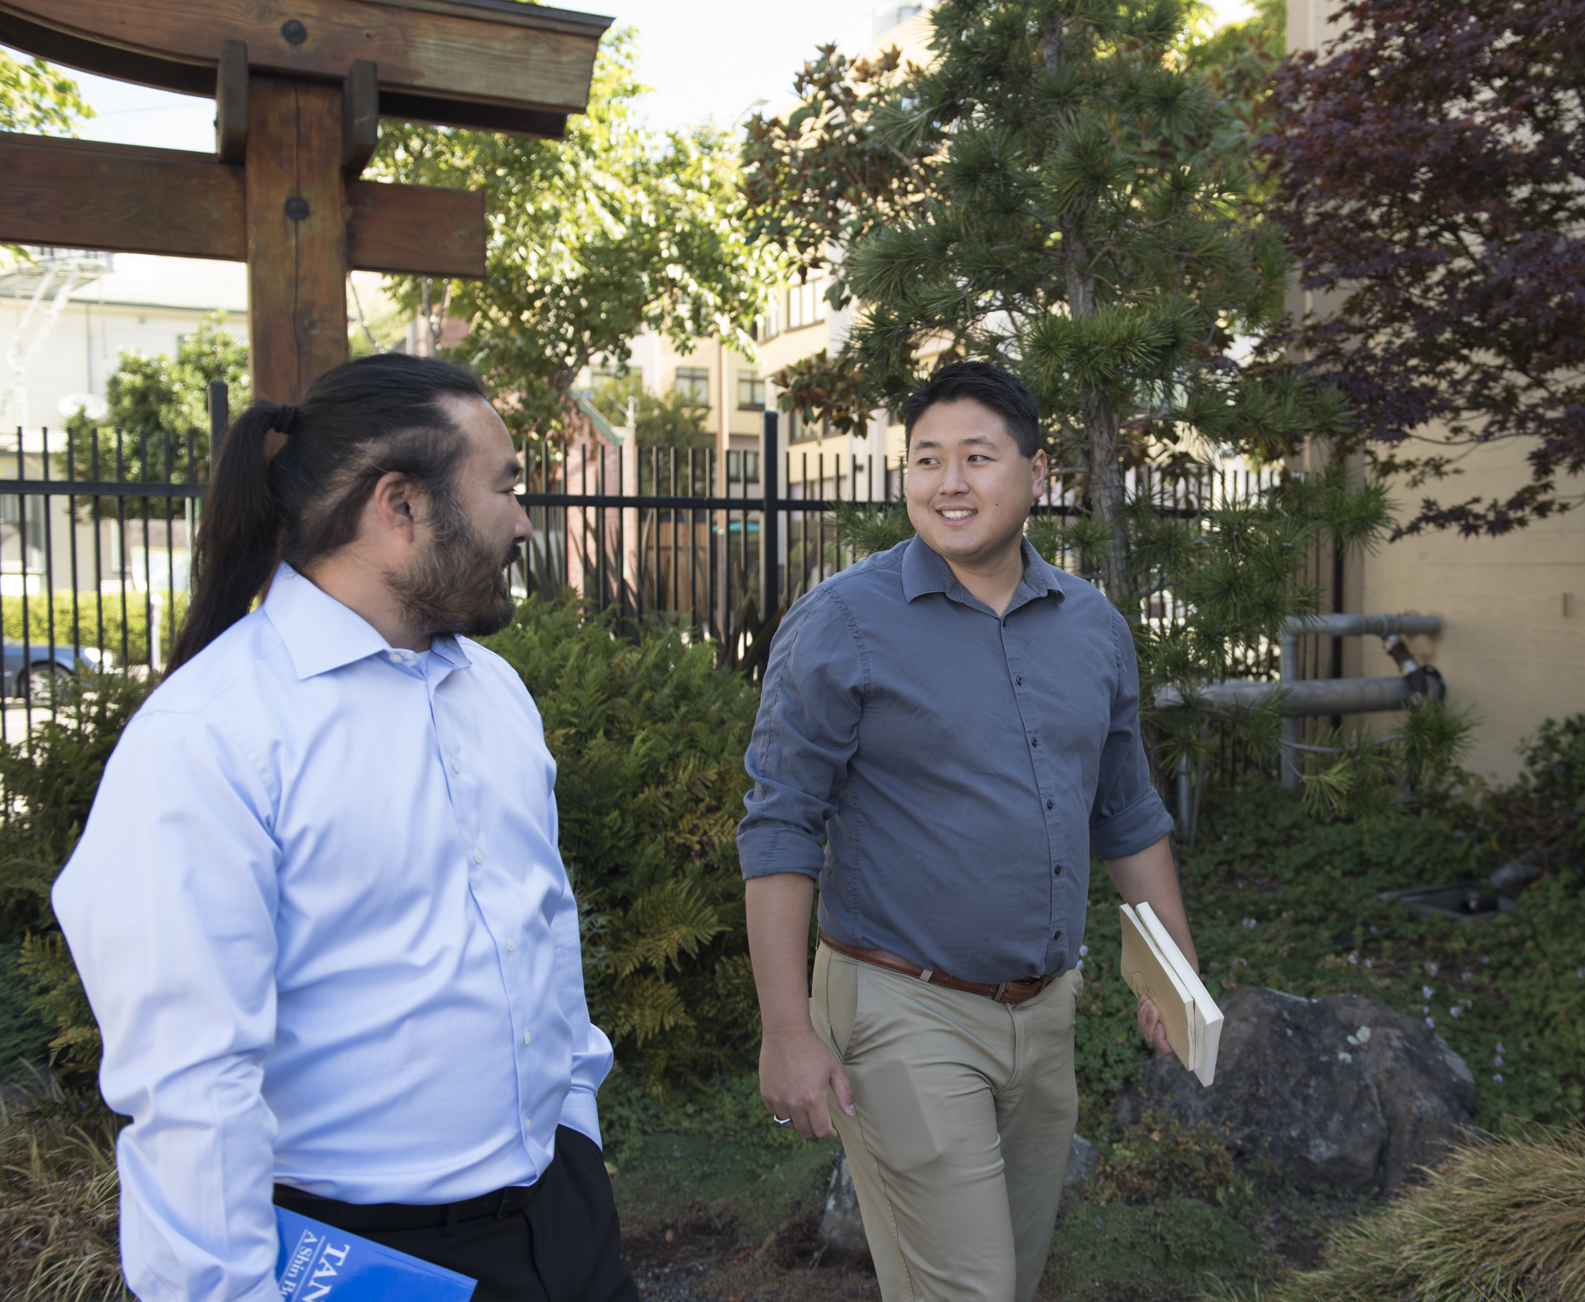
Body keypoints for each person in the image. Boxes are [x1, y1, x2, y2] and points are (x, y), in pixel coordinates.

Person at [51, 354, 637, 1302]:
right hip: (363, 1263)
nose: (525, 522)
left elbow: (542, 929)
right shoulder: (210, 737)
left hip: (563, 1226)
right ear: (399, 505)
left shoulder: (495, 692)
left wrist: (574, 1131)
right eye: (505, 488)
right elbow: (193, 1089)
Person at [739, 360, 1198, 1302]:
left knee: (1010, 1281)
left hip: (1046, 1011)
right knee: (973, 1289)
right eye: (926, 459)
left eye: (977, 458)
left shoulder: (1094, 627)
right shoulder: (842, 625)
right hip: (901, 1005)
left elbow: (1127, 812)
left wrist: (1179, 977)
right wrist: (786, 1027)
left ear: (1038, 472)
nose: (949, 483)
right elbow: (781, 824)